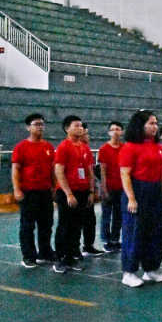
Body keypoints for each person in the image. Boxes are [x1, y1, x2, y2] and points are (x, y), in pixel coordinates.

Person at [119, 110, 162, 287]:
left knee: (156, 231)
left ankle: (151, 269)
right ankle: (129, 272)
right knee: (134, 232)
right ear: (140, 125)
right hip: (138, 190)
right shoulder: (130, 147)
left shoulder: (158, 148)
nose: (155, 127)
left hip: (154, 191)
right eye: (151, 123)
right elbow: (125, 174)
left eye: (156, 123)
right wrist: (131, 198)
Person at [12, 113, 55, 268]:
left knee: (46, 224)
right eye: (36, 124)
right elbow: (15, 169)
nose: (40, 127)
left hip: (45, 191)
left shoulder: (48, 147)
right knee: (27, 226)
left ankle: (45, 252)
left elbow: (52, 169)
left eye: (42, 124)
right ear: (28, 127)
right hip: (28, 192)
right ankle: (28, 256)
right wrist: (17, 189)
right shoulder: (21, 147)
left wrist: (54, 187)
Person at [53, 115, 94, 274]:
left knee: (77, 226)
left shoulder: (85, 147)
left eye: (81, 125)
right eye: (76, 125)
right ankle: (61, 258)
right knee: (65, 225)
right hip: (67, 193)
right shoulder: (63, 147)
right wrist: (68, 194)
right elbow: (59, 171)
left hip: (83, 192)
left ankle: (71, 257)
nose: (80, 128)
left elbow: (89, 171)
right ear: (67, 129)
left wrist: (91, 191)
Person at [79, 123, 105, 257]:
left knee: (90, 220)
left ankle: (88, 245)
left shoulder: (87, 149)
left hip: (87, 189)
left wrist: (92, 190)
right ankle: (71, 250)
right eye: (86, 133)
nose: (88, 136)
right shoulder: (68, 147)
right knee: (75, 221)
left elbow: (90, 172)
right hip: (75, 190)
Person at [98, 121, 124, 253]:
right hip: (109, 187)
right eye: (112, 129)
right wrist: (103, 188)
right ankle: (106, 240)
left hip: (122, 187)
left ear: (122, 132)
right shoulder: (104, 149)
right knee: (106, 215)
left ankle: (115, 239)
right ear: (109, 132)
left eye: (118, 129)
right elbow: (102, 170)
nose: (115, 132)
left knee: (119, 215)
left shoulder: (125, 148)